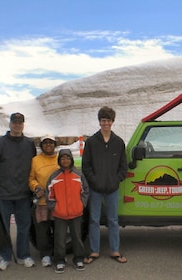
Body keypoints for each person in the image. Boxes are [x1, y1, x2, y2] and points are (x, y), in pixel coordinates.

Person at [0, 112, 37, 271]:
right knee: (3, 229)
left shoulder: (29, 144)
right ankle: (5, 256)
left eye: (20, 122)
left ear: (23, 124)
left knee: (24, 227)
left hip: (23, 194)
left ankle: (23, 255)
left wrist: (34, 189)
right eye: (14, 122)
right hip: (3, 194)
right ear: (10, 124)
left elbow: (33, 169)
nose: (17, 125)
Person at [82, 106, 128, 264]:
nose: (106, 123)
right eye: (103, 121)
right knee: (94, 220)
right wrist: (94, 180)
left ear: (112, 122)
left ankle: (115, 250)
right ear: (99, 122)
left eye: (108, 120)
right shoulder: (91, 142)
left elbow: (124, 167)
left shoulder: (118, 142)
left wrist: (116, 180)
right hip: (95, 189)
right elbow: (86, 166)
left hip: (112, 189)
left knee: (113, 220)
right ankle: (94, 251)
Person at [46, 149, 89, 273]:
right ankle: (59, 260)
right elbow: (49, 193)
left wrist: (81, 204)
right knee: (59, 238)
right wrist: (54, 207)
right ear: (59, 161)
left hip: (76, 212)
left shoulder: (78, 175)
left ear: (71, 160)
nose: (65, 161)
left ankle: (79, 258)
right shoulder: (54, 176)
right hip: (60, 214)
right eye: (63, 158)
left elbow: (85, 191)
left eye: (68, 158)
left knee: (77, 237)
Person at [28, 135, 59, 267]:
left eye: (51, 143)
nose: (48, 145)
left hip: (58, 201)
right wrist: (36, 187)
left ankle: (58, 254)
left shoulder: (60, 158)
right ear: (41, 146)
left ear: (54, 145)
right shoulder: (35, 160)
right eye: (45, 143)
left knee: (59, 229)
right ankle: (45, 255)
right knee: (42, 230)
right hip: (42, 201)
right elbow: (31, 178)